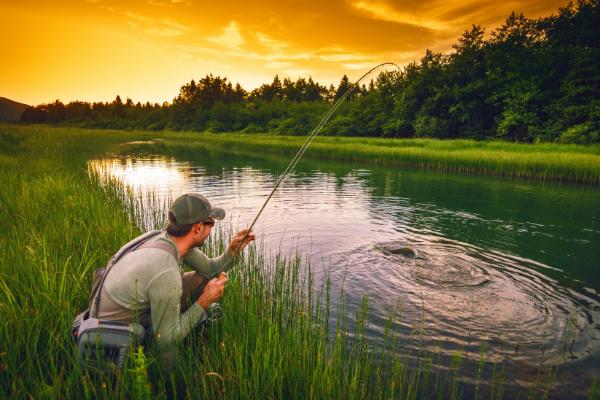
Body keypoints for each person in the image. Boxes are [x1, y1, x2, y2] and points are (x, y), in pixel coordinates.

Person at [95, 193, 255, 369]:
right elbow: (164, 341)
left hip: (124, 309)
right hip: (118, 333)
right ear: (198, 228)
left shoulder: (165, 238)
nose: (212, 229)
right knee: (168, 346)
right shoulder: (165, 269)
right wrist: (203, 303)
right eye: (211, 224)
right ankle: (168, 382)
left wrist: (233, 250)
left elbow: (210, 270)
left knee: (202, 278)